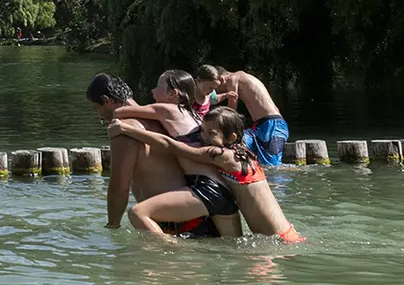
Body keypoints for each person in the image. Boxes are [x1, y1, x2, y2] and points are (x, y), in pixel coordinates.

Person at [111, 106, 305, 243]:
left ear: (231, 137)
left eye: (210, 133)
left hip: (278, 241)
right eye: (202, 131)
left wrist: (127, 129)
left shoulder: (221, 155)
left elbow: (171, 146)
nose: (203, 137)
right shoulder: (244, 154)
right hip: (286, 232)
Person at [88, 73, 225, 238]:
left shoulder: (124, 130)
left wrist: (112, 228)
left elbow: (119, 189)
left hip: (176, 227)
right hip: (203, 215)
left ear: (106, 100)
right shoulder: (158, 118)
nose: (98, 116)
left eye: (97, 108)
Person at [195, 64, 288, 166]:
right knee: (237, 143)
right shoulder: (242, 77)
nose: (213, 91)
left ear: (222, 79)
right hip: (260, 125)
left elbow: (231, 111)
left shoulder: (232, 78)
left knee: (272, 167)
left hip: (273, 125)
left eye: (216, 88)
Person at [112, 70, 203, 145]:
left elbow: (118, 112)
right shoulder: (192, 113)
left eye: (157, 87)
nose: (152, 91)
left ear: (172, 94)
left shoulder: (165, 109)